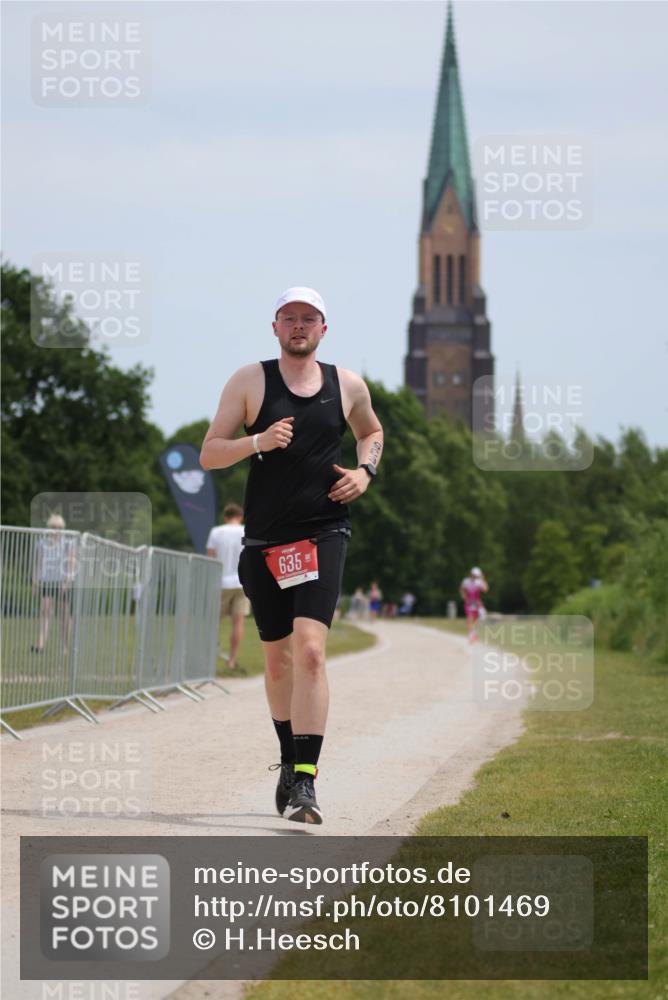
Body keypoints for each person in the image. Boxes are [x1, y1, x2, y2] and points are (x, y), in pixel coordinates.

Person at [200, 286, 383, 824]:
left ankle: (306, 781)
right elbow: (211, 452)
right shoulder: (250, 381)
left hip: (323, 533)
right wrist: (257, 442)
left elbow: (371, 431)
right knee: (278, 660)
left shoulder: (346, 384)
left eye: (309, 318)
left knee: (309, 651)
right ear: (275, 327)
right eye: (289, 318)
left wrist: (364, 472)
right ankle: (287, 759)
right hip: (265, 542)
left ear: (323, 329)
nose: (298, 325)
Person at [206, 504, 251, 672]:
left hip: (221, 581)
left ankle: (208, 657)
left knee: (212, 623)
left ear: (225, 516)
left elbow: (210, 557)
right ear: (240, 516)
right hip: (241, 582)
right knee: (238, 623)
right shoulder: (246, 531)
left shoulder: (216, 532)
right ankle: (232, 660)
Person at [31, 514, 76, 655]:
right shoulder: (42, 543)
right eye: (54, 527)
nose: (56, 531)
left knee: (64, 615)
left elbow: (71, 563)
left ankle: (65, 647)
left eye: (59, 528)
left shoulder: (69, 543)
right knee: (45, 611)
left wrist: (67, 582)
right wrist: (35, 581)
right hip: (48, 581)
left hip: (63, 582)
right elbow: (38, 563)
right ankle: (41, 644)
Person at [459, 566, 489, 643]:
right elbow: (462, 589)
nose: (475, 577)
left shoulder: (479, 582)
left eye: (477, 575)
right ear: (471, 574)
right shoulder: (466, 581)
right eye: (474, 575)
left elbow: (485, 589)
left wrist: (483, 579)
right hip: (469, 603)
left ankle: (473, 633)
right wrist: (464, 597)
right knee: (470, 618)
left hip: (477, 603)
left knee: (481, 617)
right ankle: (471, 635)